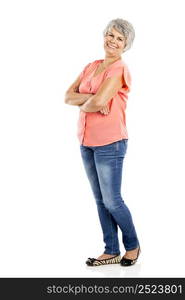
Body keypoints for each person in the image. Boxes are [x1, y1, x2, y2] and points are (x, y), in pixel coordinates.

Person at [65, 18, 141, 267]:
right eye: (110, 34)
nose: (113, 41)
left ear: (125, 45)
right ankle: (111, 249)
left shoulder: (119, 69)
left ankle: (132, 246)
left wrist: (91, 101)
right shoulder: (91, 66)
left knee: (112, 200)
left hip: (111, 142)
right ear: (104, 36)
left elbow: (97, 104)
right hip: (86, 140)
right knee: (99, 200)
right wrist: (93, 98)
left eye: (119, 38)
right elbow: (67, 96)